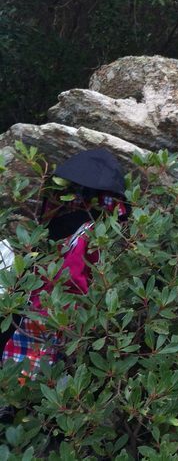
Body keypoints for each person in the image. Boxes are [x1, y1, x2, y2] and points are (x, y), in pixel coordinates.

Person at [2, 148, 129, 381]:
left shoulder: (67, 225)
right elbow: (75, 280)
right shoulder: (94, 232)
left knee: (19, 375)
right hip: (56, 319)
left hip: (35, 311)